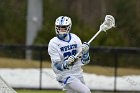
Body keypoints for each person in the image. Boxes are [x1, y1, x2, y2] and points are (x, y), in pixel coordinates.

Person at [48, 16, 91, 93]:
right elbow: (57, 65)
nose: (61, 29)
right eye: (59, 27)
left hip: (78, 73)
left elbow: (85, 61)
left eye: (63, 27)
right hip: (65, 75)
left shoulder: (75, 39)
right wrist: (66, 63)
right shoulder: (53, 43)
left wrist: (86, 52)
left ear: (69, 27)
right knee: (86, 91)